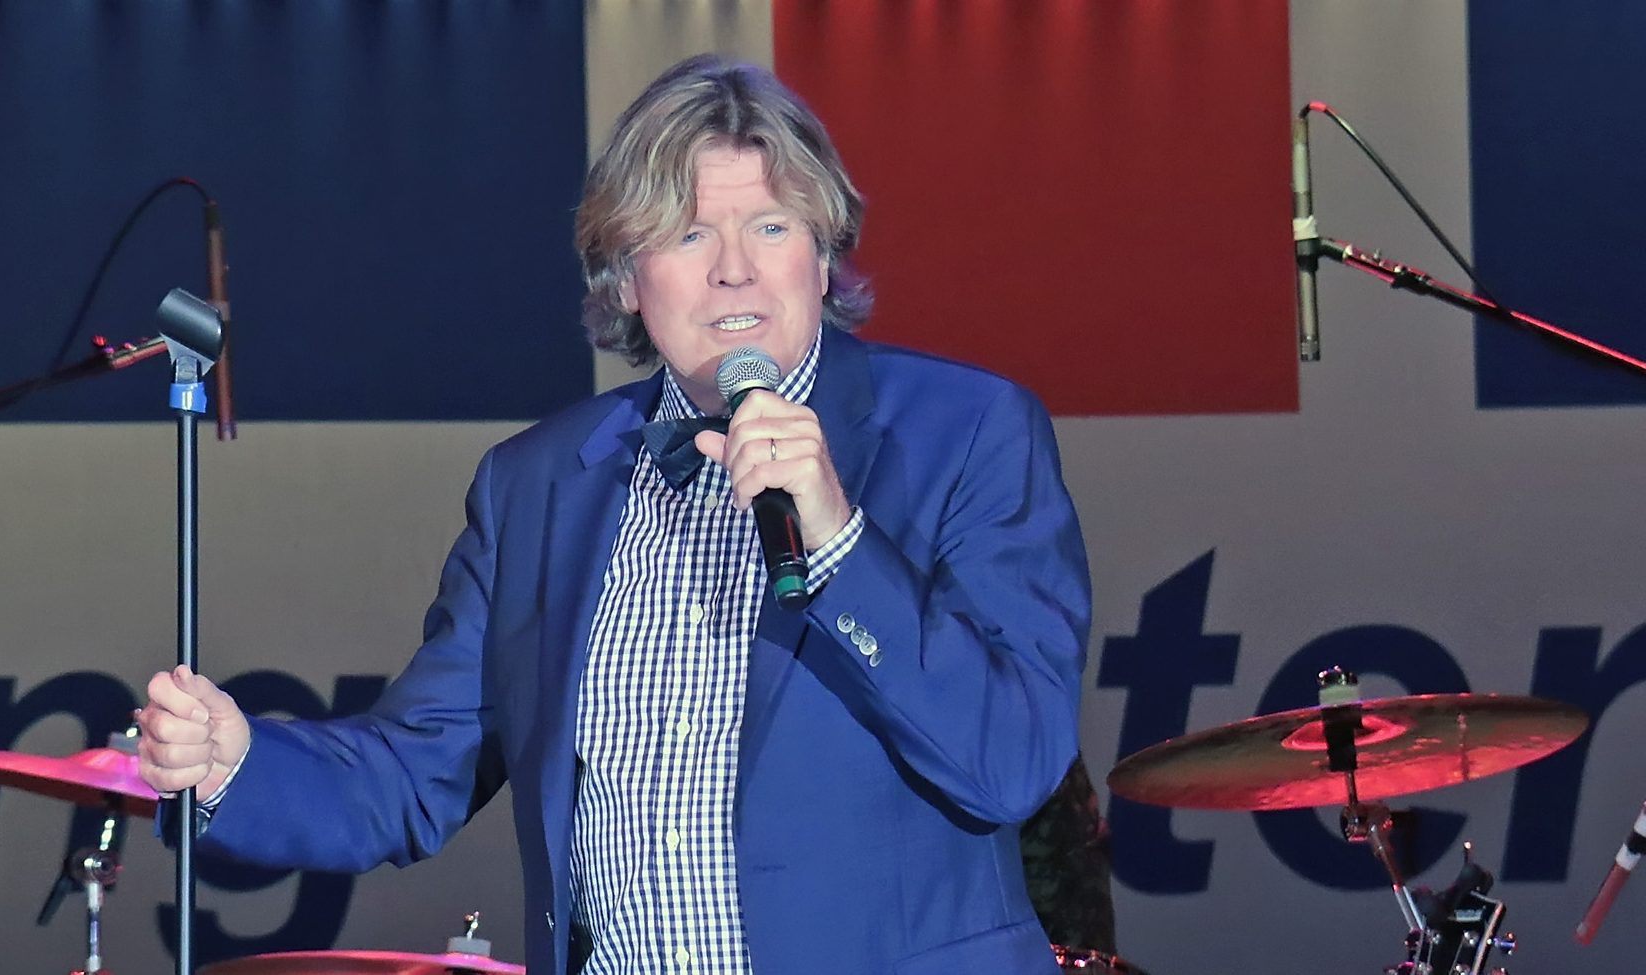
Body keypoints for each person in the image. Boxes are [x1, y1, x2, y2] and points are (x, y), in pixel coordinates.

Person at [134, 53, 1091, 974]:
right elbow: (414, 773)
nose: (733, 272)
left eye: (769, 227)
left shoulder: (966, 432)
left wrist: (839, 538)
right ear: (626, 281)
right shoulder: (539, 484)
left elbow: (1011, 760)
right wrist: (237, 761)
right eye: (685, 234)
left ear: (822, 253)